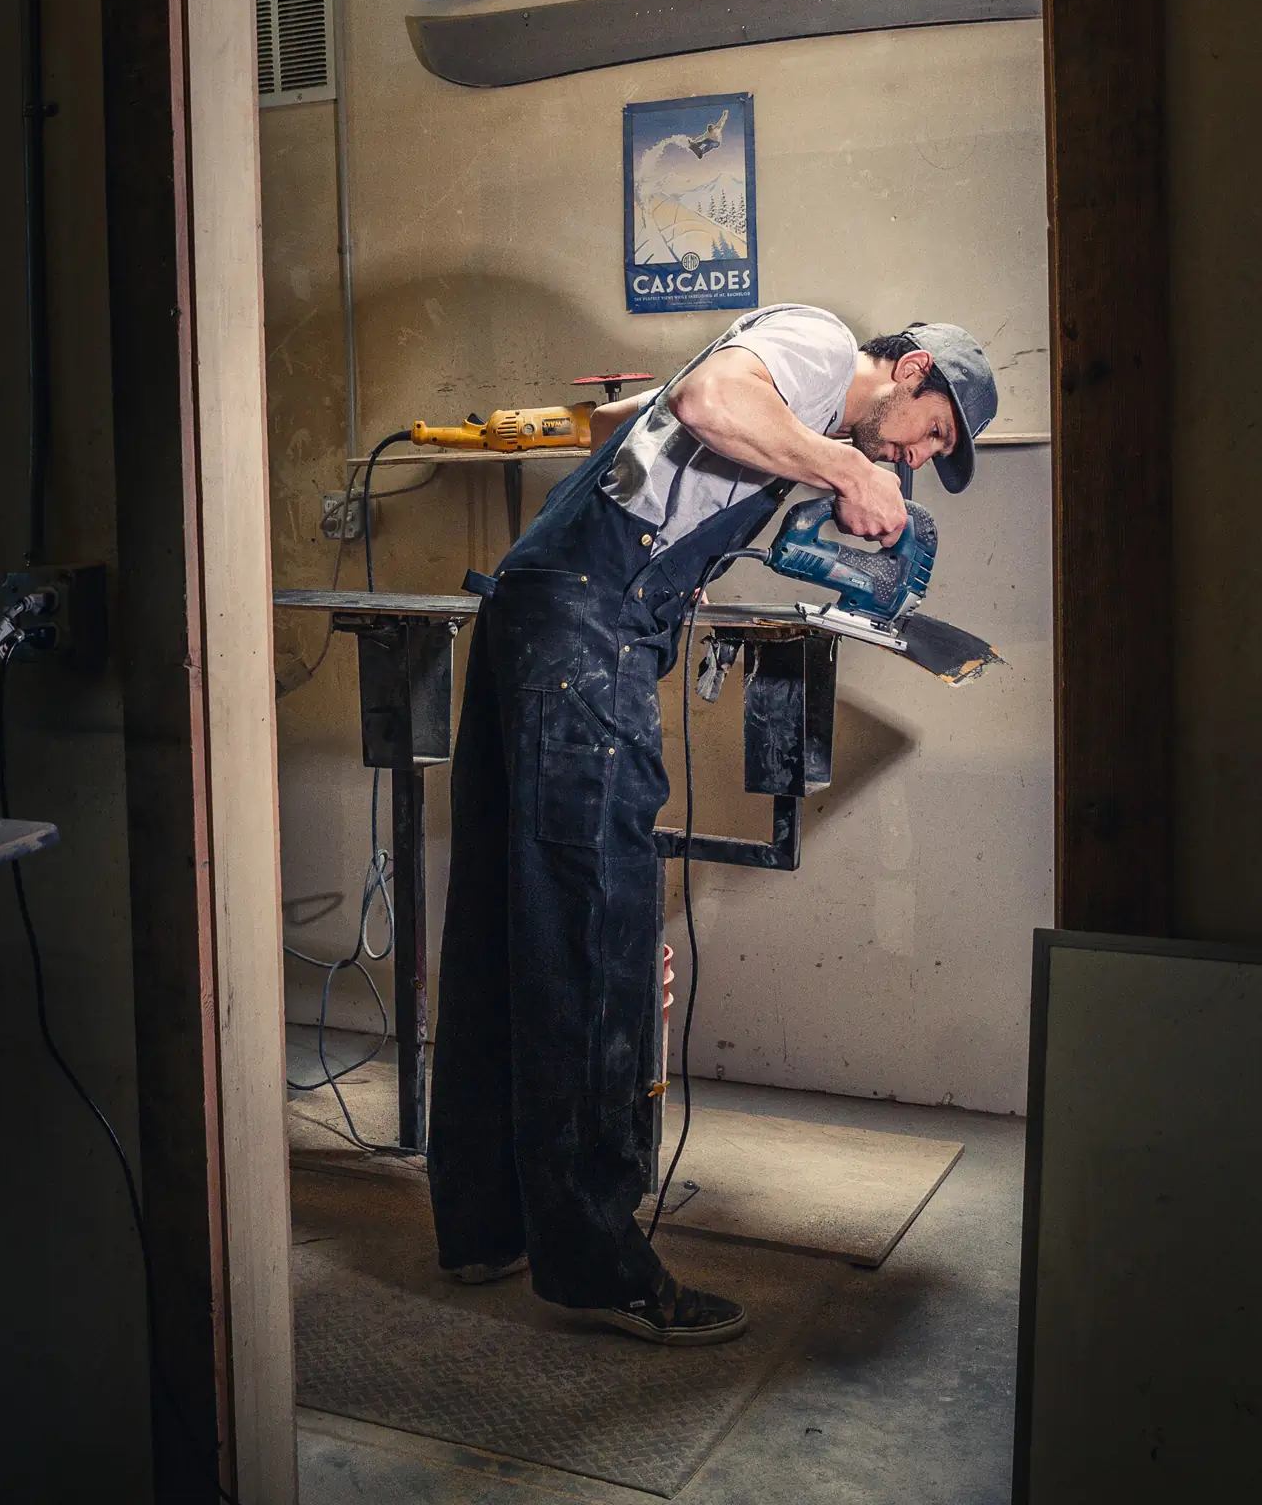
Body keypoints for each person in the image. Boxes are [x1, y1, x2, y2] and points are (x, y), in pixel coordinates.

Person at [428, 306, 999, 1343]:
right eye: (932, 433)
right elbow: (705, 398)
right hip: (588, 628)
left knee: (508, 920)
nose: (918, 456)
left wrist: (816, 484)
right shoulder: (818, 345)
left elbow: (663, 436)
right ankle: (596, 1264)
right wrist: (846, 466)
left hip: (543, 606)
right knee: (595, 933)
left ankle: (483, 1221)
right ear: (912, 369)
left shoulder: (795, 402)